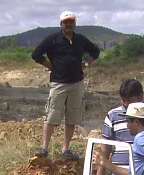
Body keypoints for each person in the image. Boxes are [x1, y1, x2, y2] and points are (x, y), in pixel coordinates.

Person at [31, 11, 100, 160]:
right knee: (52, 116)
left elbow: (95, 51)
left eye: (71, 22)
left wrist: (86, 64)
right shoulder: (53, 39)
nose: (68, 24)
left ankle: (66, 149)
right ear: (61, 24)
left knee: (72, 117)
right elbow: (36, 54)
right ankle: (44, 148)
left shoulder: (80, 39)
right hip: (58, 83)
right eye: (66, 22)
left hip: (77, 83)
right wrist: (49, 65)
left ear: (74, 24)